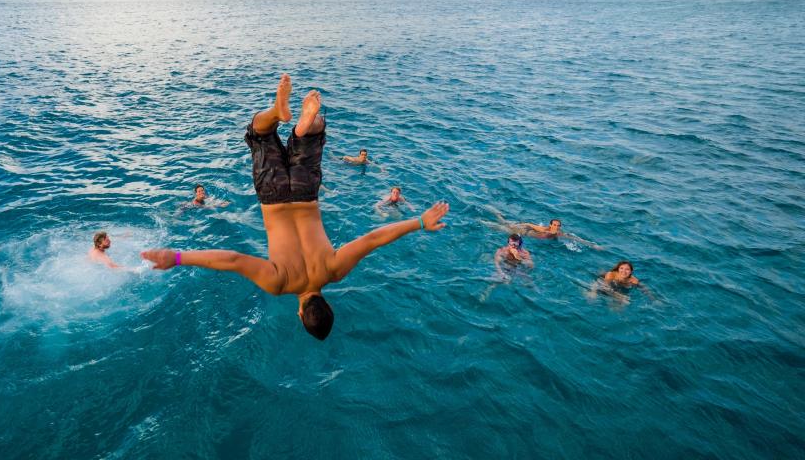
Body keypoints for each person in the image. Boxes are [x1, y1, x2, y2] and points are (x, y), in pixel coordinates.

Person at [142, 73, 450, 340]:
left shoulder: (335, 270)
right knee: (259, 134)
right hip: (273, 196)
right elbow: (233, 259)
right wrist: (178, 257)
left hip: (305, 195)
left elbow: (373, 239)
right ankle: (275, 112)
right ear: (301, 315)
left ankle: (302, 125)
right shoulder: (279, 283)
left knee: (315, 132)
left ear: (328, 305)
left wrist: (420, 222)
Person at [488, 207, 601, 250]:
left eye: (558, 225)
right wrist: (522, 225)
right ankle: (494, 214)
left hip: (526, 231)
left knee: (502, 224)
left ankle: (496, 215)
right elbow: (531, 225)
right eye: (554, 225)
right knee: (501, 225)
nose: (556, 227)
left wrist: (592, 245)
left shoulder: (559, 233)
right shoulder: (545, 230)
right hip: (523, 231)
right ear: (550, 225)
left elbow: (574, 238)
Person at [586, 260, 655, 302]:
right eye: (621, 268)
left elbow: (644, 289)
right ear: (618, 269)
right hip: (600, 282)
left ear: (631, 271)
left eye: (627, 269)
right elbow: (607, 287)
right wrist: (619, 296)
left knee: (621, 303)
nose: (624, 271)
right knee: (592, 296)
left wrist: (652, 297)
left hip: (615, 287)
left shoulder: (634, 280)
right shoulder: (611, 274)